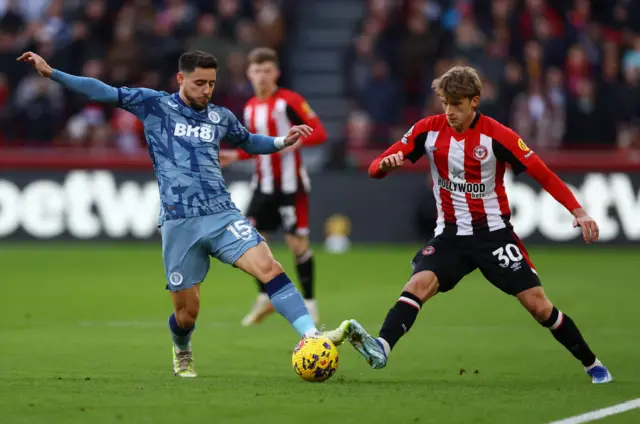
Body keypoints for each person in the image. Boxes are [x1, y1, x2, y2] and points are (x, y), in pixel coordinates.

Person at [17, 50, 349, 378]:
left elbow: (248, 141)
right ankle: (182, 347)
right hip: (180, 222)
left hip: (222, 214)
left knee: (269, 267)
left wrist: (280, 141)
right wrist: (52, 73)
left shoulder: (220, 117)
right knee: (187, 315)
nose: (207, 90)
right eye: (199, 82)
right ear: (181, 79)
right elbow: (101, 90)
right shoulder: (154, 105)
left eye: (212, 83)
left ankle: (310, 335)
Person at [344, 65, 613, 384]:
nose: (449, 111)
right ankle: (382, 347)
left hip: (494, 236)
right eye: (445, 103)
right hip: (450, 236)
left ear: (474, 102)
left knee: (539, 307)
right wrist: (384, 166)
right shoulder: (427, 131)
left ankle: (592, 363)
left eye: (456, 104)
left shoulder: (498, 136)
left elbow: (542, 172)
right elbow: (376, 166)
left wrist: (578, 210)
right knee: (417, 284)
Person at [218, 47, 327, 327]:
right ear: (248, 74)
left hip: (291, 186)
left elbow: (320, 132)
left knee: (296, 244)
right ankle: (264, 299)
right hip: (262, 186)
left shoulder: (290, 100)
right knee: (252, 241)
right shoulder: (250, 106)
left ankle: (311, 306)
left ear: (276, 73)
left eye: (267, 71)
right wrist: (235, 155)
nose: (262, 77)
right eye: (257, 71)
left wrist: (297, 141)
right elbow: (256, 146)